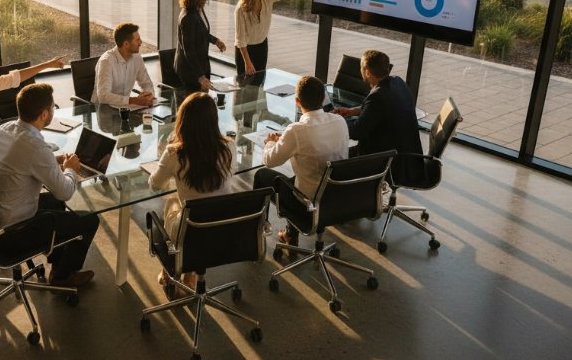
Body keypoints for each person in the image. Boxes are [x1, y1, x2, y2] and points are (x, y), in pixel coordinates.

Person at [0, 83, 98, 287]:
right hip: (14, 232)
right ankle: (63, 277)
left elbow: (25, 158)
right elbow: (66, 192)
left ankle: (57, 264)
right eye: (52, 107)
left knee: (53, 203)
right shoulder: (35, 146)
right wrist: (71, 169)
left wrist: (57, 159)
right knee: (89, 220)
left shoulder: (4, 129)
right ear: (44, 115)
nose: (53, 110)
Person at [148, 92, 235, 288]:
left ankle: (174, 269)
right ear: (214, 120)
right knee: (192, 205)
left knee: (171, 200)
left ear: (182, 121)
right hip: (224, 226)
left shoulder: (174, 153)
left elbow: (155, 185)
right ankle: (190, 273)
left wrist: (164, 163)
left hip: (189, 229)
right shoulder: (230, 148)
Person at [252, 75, 349, 246]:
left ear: (297, 101)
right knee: (300, 178)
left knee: (263, 175)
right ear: (322, 98)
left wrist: (271, 143)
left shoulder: (297, 130)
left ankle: (255, 235)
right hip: (338, 199)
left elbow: (269, 160)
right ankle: (290, 233)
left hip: (308, 205)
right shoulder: (340, 121)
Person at [333, 50, 422, 180]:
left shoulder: (377, 96)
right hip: (408, 156)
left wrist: (334, 121)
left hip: (388, 162)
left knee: (332, 161)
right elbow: (380, 108)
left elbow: (356, 132)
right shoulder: (397, 82)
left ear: (367, 72)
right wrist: (352, 111)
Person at [234, 0, 323, 76]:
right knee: (244, 86)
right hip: (245, 51)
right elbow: (240, 39)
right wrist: (247, 62)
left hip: (262, 47)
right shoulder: (240, 9)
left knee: (259, 83)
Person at [174, 0, 226, 91]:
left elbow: (202, 31)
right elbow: (189, 50)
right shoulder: (188, 17)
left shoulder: (198, 9)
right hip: (190, 71)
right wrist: (201, 77)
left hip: (201, 65)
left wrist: (215, 40)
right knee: (195, 105)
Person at [91, 22, 155, 107]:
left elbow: (146, 83)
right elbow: (103, 96)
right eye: (137, 40)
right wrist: (133, 100)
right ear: (126, 44)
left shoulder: (137, 58)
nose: (141, 42)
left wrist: (148, 95)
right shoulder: (106, 61)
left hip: (125, 108)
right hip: (103, 110)